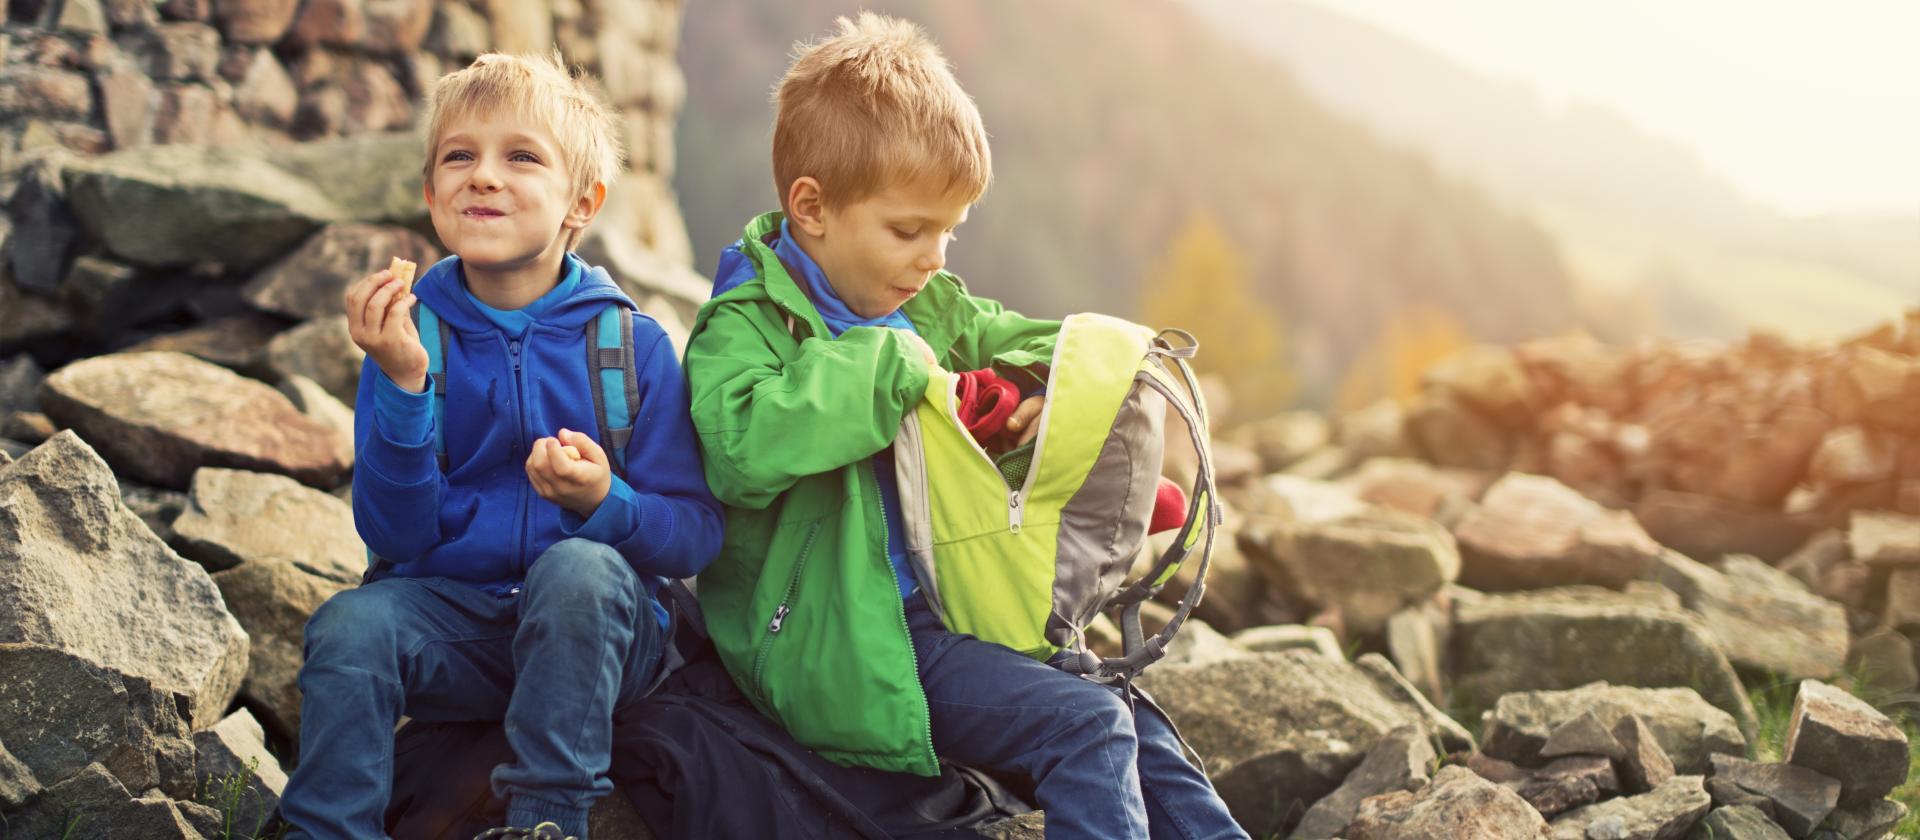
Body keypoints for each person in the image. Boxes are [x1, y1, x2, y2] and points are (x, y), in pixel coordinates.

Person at [682, 14, 1246, 840]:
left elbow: (1031, 342)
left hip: (959, 609)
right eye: (909, 230)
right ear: (811, 208)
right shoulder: (745, 328)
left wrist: (1040, 385)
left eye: (949, 230)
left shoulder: (926, 304)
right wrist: (894, 364)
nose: (935, 256)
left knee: (1130, 719)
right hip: (848, 642)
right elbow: (741, 449)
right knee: (1086, 726)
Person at [280, 51, 724, 840]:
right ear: (430, 193)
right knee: (350, 626)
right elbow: (392, 537)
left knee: (578, 569)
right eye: (459, 156)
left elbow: (694, 534)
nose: (483, 176)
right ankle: (327, 829)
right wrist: (405, 387)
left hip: (603, 637)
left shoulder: (633, 346)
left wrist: (605, 502)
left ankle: (545, 820)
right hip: (460, 631)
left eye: (521, 157)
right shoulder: (409, 339)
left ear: (582, 203)